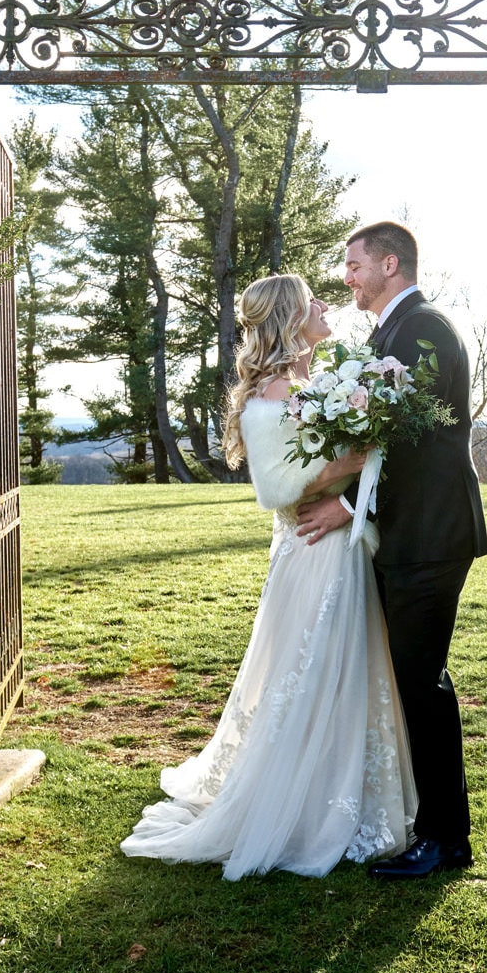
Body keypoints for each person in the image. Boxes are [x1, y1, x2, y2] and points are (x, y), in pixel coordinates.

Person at [120, 274, 418, 880]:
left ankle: (346, 795)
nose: (326, 306)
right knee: (309, 676)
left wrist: (362, 463)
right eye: (313, 301)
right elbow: (275, 488)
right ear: (290, 317)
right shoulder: (273, 392)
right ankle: (301, 809)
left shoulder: (315, 382)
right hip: (312, 551)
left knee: (345, 674)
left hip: (340, 545)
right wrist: (352, 460)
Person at [296, 221, 487, 880]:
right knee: (411, 682)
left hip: (431, 535)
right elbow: (382, 437)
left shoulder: (424, 328)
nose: (346, 276)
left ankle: (446, 840)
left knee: (422, 685)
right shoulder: (392, 333)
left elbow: (413, 445)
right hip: (409, 536)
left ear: (389, 263)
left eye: (353, 265)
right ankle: (425, 823)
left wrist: (347, 504)